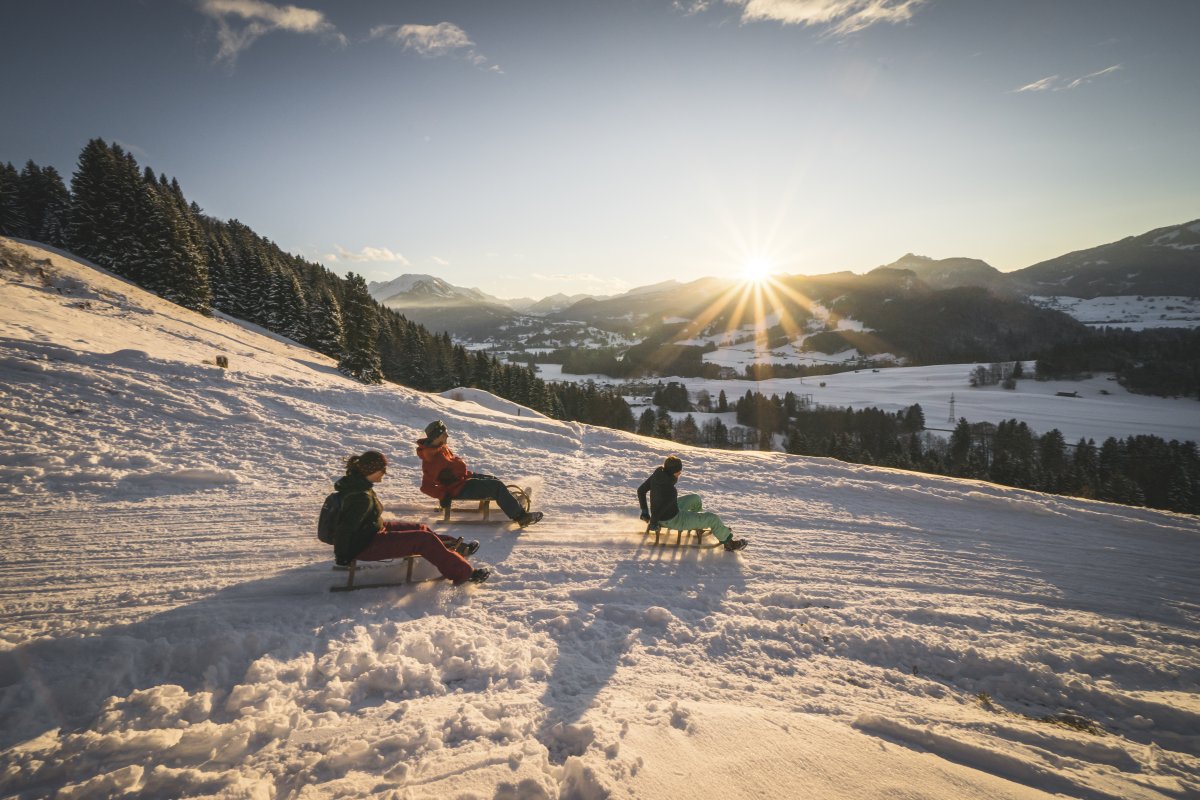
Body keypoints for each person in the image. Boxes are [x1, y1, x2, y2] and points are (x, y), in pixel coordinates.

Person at [333, 450, 490, 584]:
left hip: (370, 532)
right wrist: (343, 557)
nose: (384, 473)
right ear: (371, 470)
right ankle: (464, 573)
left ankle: (455, 547)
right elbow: (345, 528)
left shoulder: (359, 485)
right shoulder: (360, 496)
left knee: (420, 528)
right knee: (422, 539)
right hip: (364, 545)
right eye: (382, 470)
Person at [415, 420, 544, 527]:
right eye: (445, 434)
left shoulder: (440, 448)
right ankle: (521, 517)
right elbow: (426, 487)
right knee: (496, 487)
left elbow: (452, 466)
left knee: (494, 480)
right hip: (459, 488)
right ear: (437, 436)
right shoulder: (431, 459)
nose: (447, 436)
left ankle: (514, 502)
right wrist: (443, 496)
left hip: (463, 479)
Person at [637, 455, 746, 551]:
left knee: (695, 499)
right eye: (678, 471)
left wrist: (645, 512)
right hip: (672, 519)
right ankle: (729, 544)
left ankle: (699, 526)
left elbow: (641, 490)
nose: (680, 473)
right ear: (673, 472)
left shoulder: (658, 475)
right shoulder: (670, 490)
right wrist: (654, 522)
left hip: (666, 511)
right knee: (713, 518)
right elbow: (662, 507)